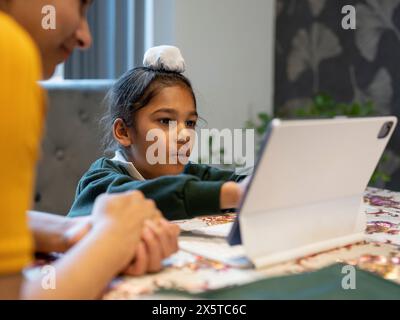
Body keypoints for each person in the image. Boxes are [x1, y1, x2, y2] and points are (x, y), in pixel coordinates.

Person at [0, 0, 179, 300]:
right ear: (122, 132)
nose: (85, 38)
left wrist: (67, 231)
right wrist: (112, 239)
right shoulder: (8, 50)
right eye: (81, 6)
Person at [68, 46, 249, 220]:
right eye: (165, 121)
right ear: (123, 132)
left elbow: (242, 182)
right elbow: (146, 198)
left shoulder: (189, 172)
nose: (184, 135)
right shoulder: (99, 183)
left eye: (190, 123)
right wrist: (232, 194)